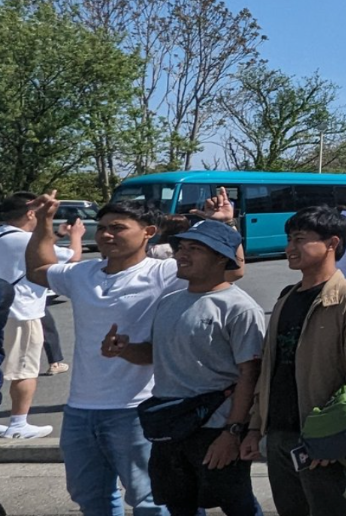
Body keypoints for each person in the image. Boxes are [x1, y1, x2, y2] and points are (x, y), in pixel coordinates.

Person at [24, 189, 241, 516]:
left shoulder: (164, 273)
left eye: (119, 227)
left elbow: (232, 271)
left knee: (151, 501)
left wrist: (224, 225)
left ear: (148, 232)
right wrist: (43, 221)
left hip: (137, 410)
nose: (108, 234)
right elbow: (38, 270)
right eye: (104, 227)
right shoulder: (83, 273)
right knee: (90, 498)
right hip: (80, 411)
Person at [102, 220, 265, 516]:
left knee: (238, 506)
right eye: (182, 248)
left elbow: (250, 375)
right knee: (180, 507)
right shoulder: (169, 302)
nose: (182, 255)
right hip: (170, 424)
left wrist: (232, 432)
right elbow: (154, 354)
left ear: (221, 257)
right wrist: (125, 350)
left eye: (195, 248)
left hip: (215, 428)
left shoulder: (240, 308)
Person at [239, 206, 346, 516]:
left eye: (299, 239)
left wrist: (335, 439)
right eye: (289, 239)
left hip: (320, 439)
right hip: (280, 435)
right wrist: (255, 428)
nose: (289, 248)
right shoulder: (286, 299)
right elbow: (269, 371)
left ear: (332, 243)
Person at [0, 192, 83, 439]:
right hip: (22, 311)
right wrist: (75, 236)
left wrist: (54, 234)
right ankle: (18, 423)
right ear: (30, 213)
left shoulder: (4, 234)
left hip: (3, 308)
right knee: (24, 370)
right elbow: (72, 258)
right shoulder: (25, 239)